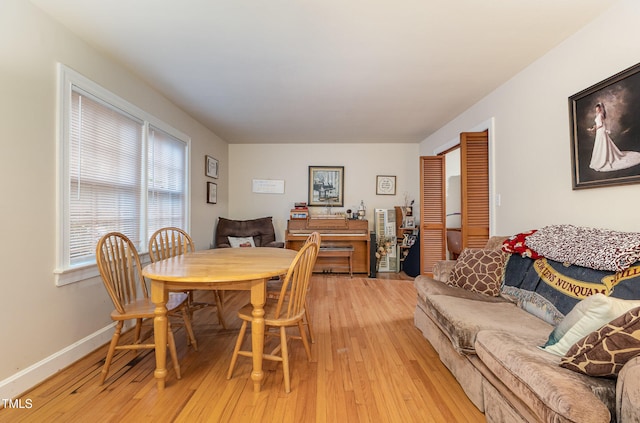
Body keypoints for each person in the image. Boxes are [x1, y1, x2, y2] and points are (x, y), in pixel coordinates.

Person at [588, 102, 640, 171]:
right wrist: (593, 128)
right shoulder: (598, 115)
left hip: (601, 131)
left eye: (598, 109)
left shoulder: (600, 115)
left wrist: (594, 129)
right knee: (600, 144)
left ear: (600, 109)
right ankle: (602, 157)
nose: (597, 110)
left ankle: (605, 158)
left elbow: (600, 125)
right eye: (596, 109)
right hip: (599, 131)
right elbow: (597, 124)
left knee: (602, 144)